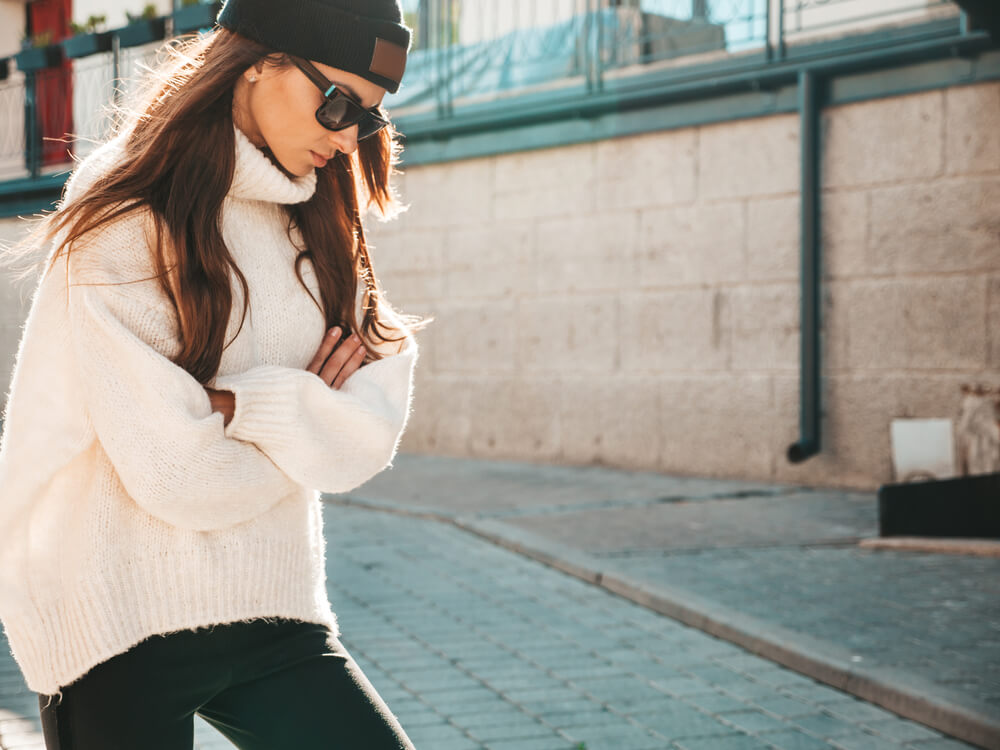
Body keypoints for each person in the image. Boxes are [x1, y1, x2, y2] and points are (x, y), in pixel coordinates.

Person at [0, 0, 431, 747]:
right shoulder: (126, 204)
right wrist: (308, 415)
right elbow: (177, 473)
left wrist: (236, 405)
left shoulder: (321, 214)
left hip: (275, 608)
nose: (346, 134)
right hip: (115, 621)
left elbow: (368, 435)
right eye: (335, 103)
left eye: (366, 118)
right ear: (258, 62)